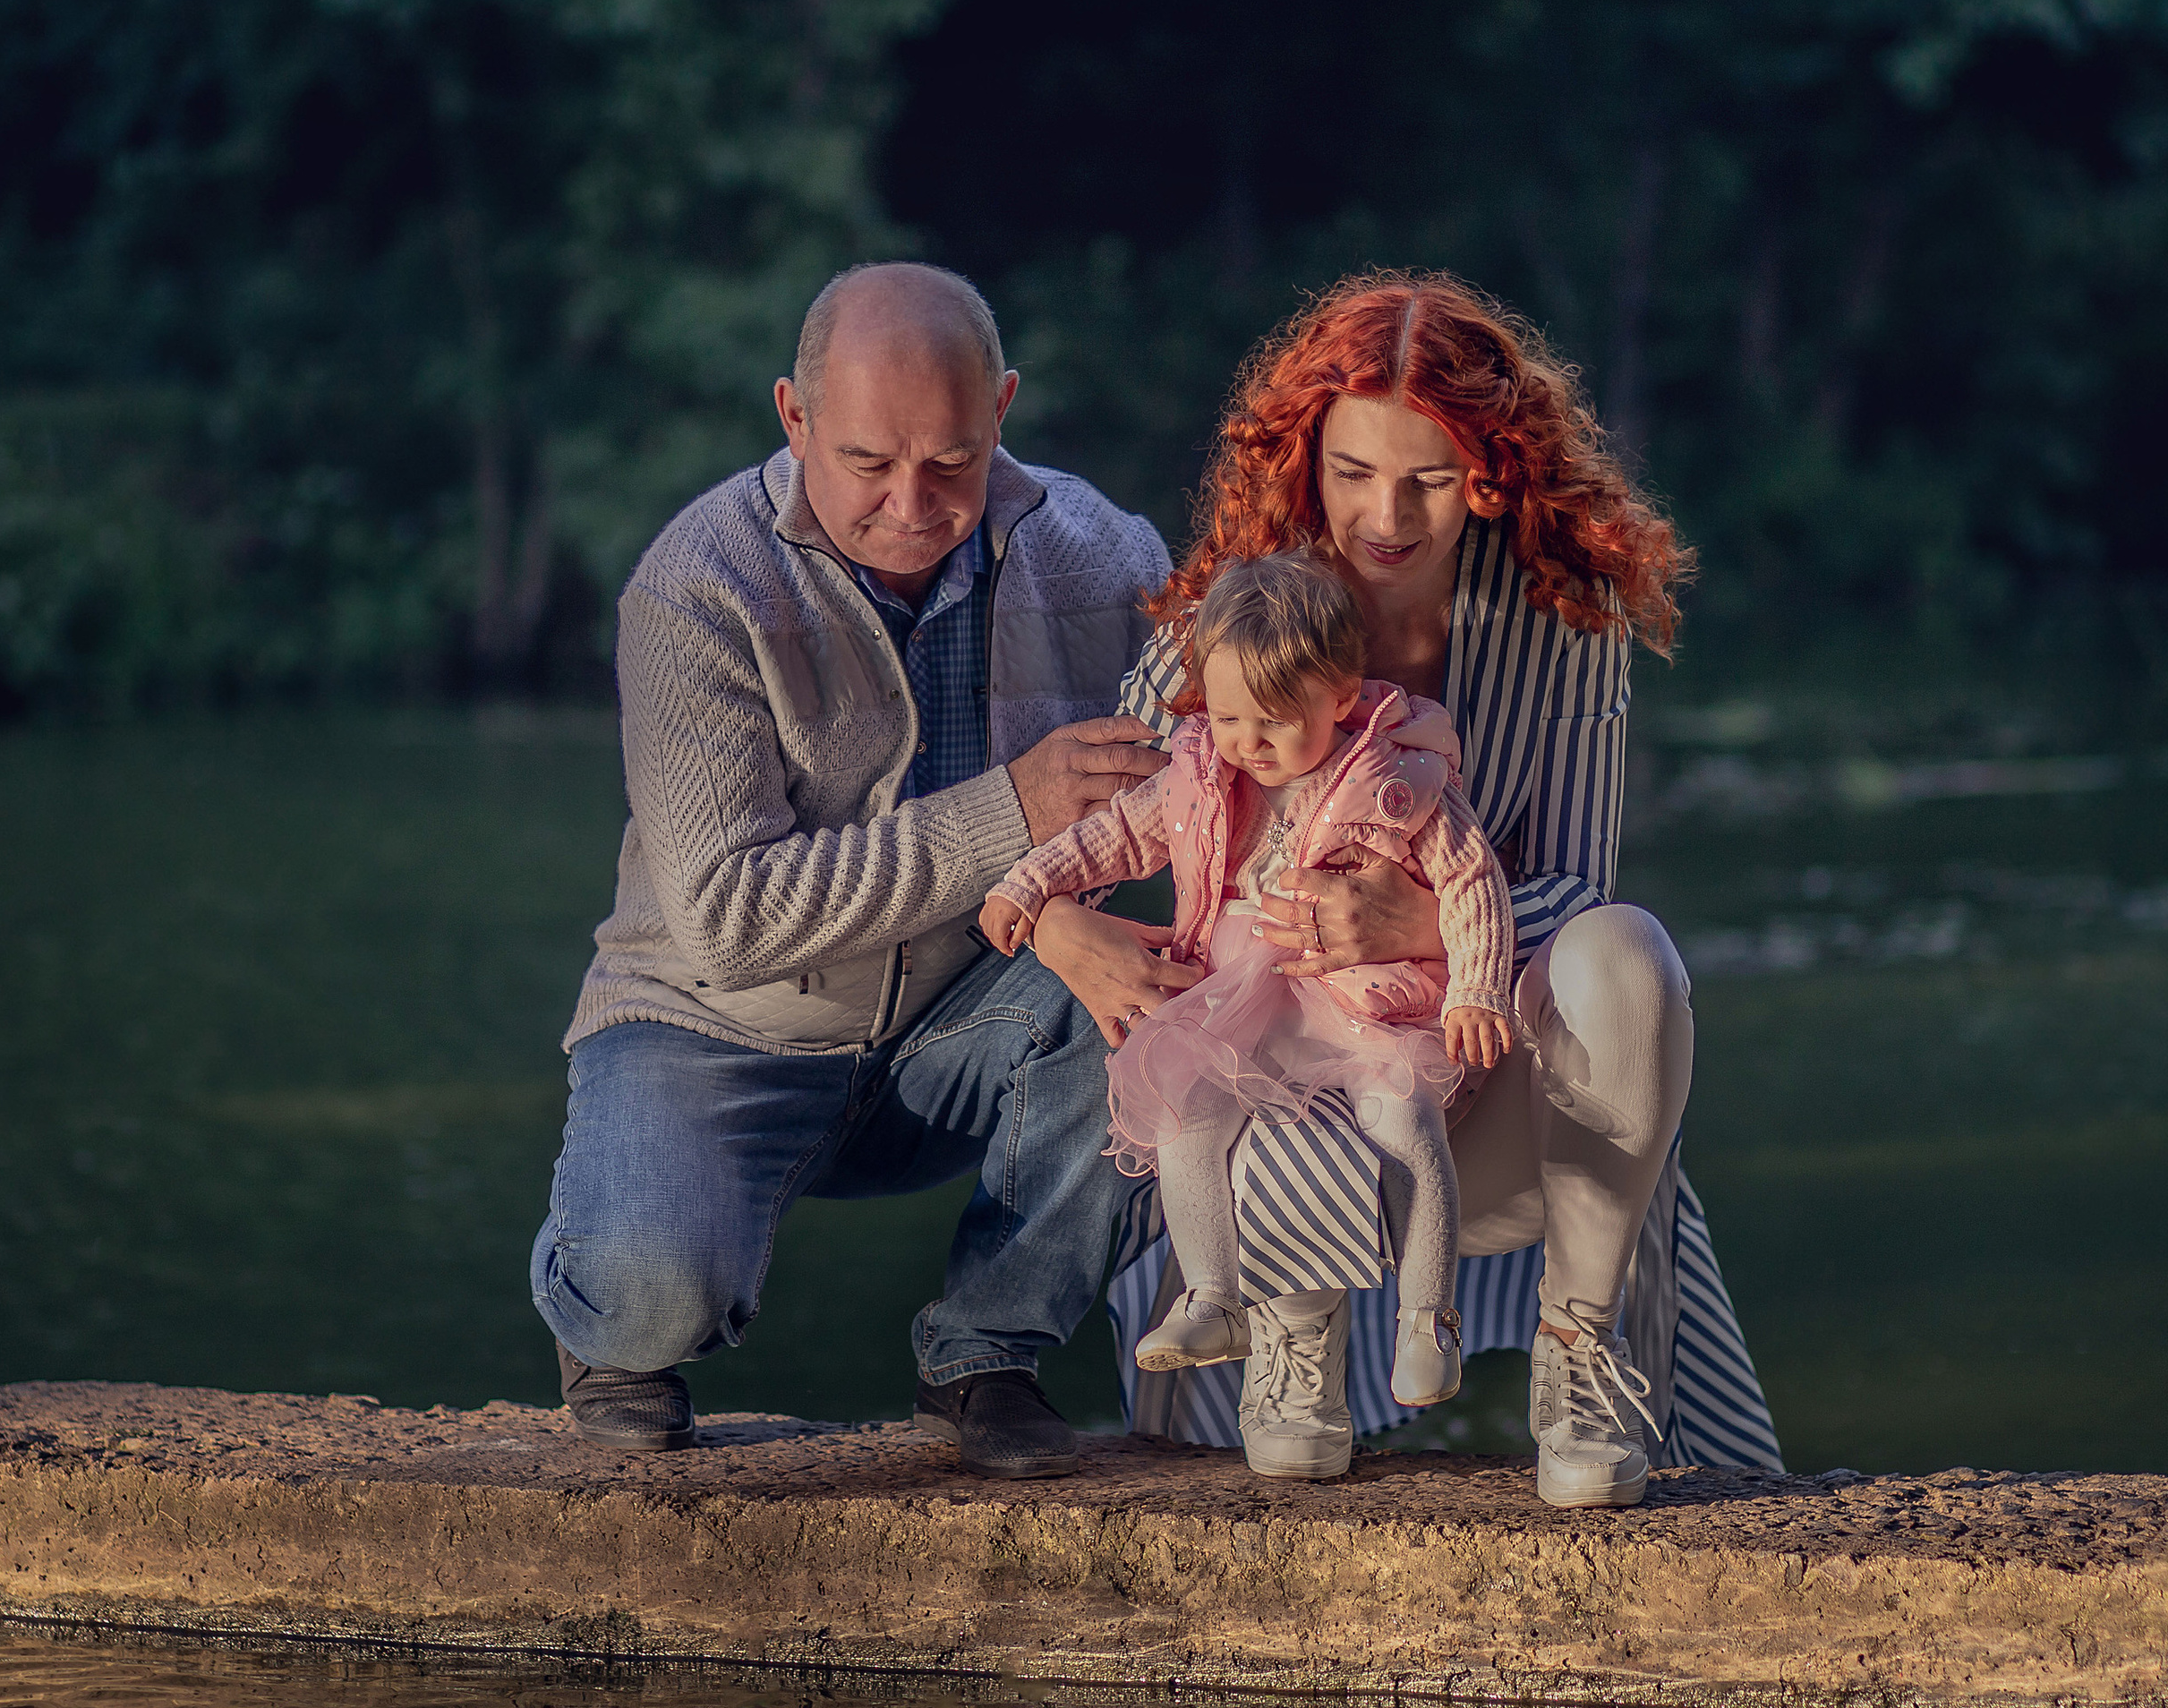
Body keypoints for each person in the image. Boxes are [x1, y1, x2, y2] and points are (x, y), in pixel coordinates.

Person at [1027, 270, 1780, 1506]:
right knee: (1232, 1050)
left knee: (1629, 951)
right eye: (1353, 472)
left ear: (1487, 469)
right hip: (1271, 1070)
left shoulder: (1564, 626)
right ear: (1304, 459)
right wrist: (1056, 925)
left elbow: (1579, 885)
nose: (1386, 515)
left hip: (1476, 1068)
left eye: (1428, 478)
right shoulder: (1233, 617)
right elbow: (1112, 827)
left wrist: (1424, 920)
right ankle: (1282, 1333)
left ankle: (1580, 1355)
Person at [528, 260, 1173, 1479]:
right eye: (870, 464)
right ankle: (604, 1305)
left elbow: (1240, 731)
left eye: (952, 462)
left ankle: (987, 1355)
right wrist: (1018, 812)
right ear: (794, 417)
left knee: (1164, 1003)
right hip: (714, 1023)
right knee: (654, 1294)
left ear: (1005, 413)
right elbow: (728, 918)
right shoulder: (695, 587)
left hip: (967, 1022)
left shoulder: (1103, 556)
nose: (913, 505)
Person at [977, 551, 1517, 1480]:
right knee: (1188, 1108)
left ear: (1342, 696)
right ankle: (1215, 1293)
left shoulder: (1395, 777)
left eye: (1273, 722)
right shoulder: (1197, 773)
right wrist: (1028, 883)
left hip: (1354, 998)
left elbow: (1474, 880)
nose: (1246, 742)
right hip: (1237, 992)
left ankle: (1426, 1318)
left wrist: (1476, 987)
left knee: (1405, 1119)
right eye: (1227, 718)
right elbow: (1111, 835)